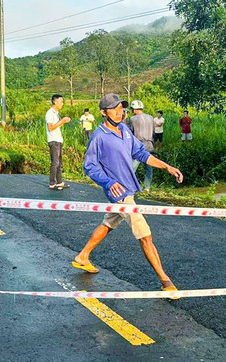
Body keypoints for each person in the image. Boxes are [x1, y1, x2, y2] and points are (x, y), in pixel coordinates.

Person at [72, 93, 184, 296]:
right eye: (114, 109)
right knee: (145, 236)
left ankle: (83, 256)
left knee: (108, 223)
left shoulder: (124, 129)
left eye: (121, 108)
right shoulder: (99, 136)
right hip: (120, 194)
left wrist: (167, 167)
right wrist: (108, 182)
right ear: (103, 113)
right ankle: (165, 280)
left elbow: (141, 153)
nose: (120, 112)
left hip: (128, 190)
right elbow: (89, 166)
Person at [46, 94, 71, 190]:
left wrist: (63, 121)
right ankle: (52, 183)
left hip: (58, 140)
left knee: (59, 163)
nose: (62, 104)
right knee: (55, 163)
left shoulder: (56, 113)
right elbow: (50, 127)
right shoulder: (50, 113)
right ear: (55, 102)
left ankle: (59, 182)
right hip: (53, 140)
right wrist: (62, 121)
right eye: (61, 102)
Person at [128, 100, 154, 191]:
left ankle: (129, 186)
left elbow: (129, 133)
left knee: (132, 168)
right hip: (149, 145)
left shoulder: (133, 119)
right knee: (149, 168)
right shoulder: (151, 118)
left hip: (138, 146)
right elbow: (153, 132)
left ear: (134, 109)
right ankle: (147, 187)